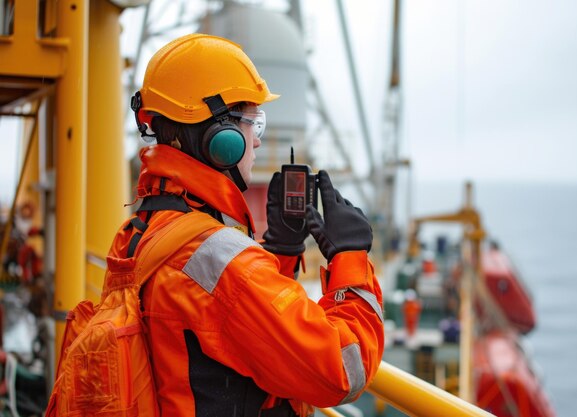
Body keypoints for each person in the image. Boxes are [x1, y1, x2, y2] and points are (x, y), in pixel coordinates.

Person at [109, 34, 384, 417]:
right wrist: (352, 259)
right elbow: (339, 370)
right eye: (252, 123)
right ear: (219, 137)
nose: (257, 141)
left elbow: (233, 327)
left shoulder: (142, 230)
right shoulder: (217, 259)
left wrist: (281, 255)